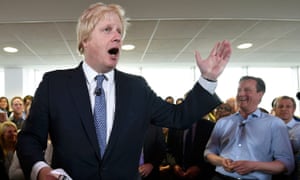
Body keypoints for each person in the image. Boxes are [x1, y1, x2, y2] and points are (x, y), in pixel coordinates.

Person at [16, 2, 232, 180]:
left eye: (120, 31)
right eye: (107, 29)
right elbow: (29, 139)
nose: (117, 36)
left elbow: (179, 117)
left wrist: (208, 79)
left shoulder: (136, 87)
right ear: (85, 40)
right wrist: (41, 171)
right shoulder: (55, 84)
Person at [204, 76, 295, 180]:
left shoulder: (275, 124)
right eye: (239, 90)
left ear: (260, 95)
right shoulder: (223, 122)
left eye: (247, 90)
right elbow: (209, 153)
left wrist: (254, 166)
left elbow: (286, 163)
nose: (241, 94)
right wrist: (221, 161)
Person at [273, 95, 300, 180]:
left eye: (288, 106)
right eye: (280, 106)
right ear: (275, 109)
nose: (284, 109)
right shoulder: (267, 128)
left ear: (294, 109)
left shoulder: (299, 129)